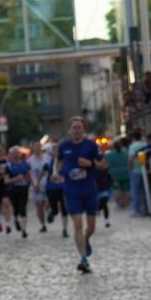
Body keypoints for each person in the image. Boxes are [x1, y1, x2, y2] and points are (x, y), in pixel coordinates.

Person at [55, 116, 103, 273]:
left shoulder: (91, 145)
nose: (76, 130)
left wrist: (91, 164)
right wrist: (59, 173)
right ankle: (83, 259)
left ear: (84, 130)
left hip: (88, 188)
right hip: (71, 189)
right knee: (77, 224)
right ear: (70, 130)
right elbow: (58, 161)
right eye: (74, 127)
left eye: (79, 127)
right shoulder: (64, 146)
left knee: (91, 227)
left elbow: (103, 164)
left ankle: (86, 239)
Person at [6, 146, 31, 238]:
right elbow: (6, 181)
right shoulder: (8, 166)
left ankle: (24, 230)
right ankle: (16, 220)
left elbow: (29, 175)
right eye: (13, 153)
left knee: (23, 208)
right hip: (13, 190)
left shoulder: (25, 164)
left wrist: (32, 183)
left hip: (23, 188)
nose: (16, 155)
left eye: (17, 153)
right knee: (16, 209)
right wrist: (16, 179)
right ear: (11, 155)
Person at [46, 142, 69, 238]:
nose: (56, 152)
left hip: (63, 188)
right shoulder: (48, 162)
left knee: (64, 209)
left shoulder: (66, 162)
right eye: (54, 150)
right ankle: (53, 212)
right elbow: (42, 174)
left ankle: (64, 229)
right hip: (51, 188)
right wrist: (37, 183)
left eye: (58, 150)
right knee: (55, 209)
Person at [28, 141, 50, 233]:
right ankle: (43, 224)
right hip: (36, 185)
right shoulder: (29, 160)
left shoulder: (47, 158)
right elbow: (29, 174)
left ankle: (49, 212)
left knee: (48, 204)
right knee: (39, 206)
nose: (37, 148)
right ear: (32, 148)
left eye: (38, 146)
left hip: (47, 184)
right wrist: (34, 184)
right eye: (35, 147)